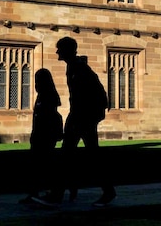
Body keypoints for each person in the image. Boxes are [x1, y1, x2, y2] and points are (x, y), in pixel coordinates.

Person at [33, 36, 116, 207]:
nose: (57, 52)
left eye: (59, 49)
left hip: (82, 118)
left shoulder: (79, 68)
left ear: (67, 50)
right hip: (79, 116)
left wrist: (84, 117)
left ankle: (59, 194)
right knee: (77, 155)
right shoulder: (73, 67)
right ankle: (105, 191)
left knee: (74, 155)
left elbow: (91, 94)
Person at [20, 68, 64, 204]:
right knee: (36, 167)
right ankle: (34, 193)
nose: (36, 84)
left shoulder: (48, 96)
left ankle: (54, 193)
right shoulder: (42, 96)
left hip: (45, 137)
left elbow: (48, 118)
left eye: (38, 80)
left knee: (46, 166)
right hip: (39, 136)